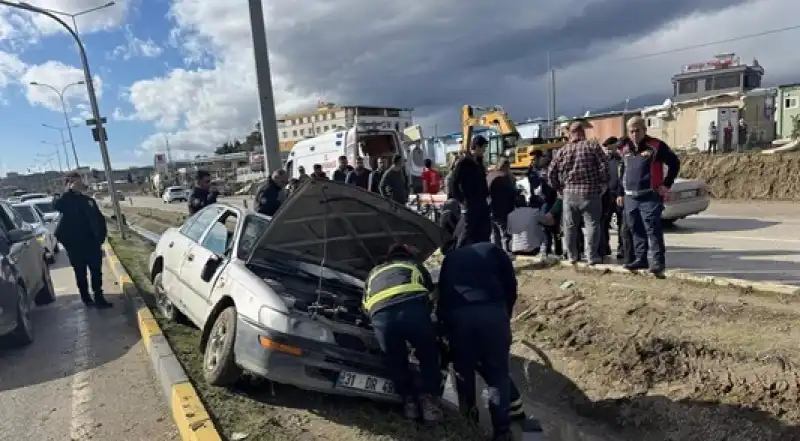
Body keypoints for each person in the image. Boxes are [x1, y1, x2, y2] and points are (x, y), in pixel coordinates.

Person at [436, 239, 522, 441]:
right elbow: (510, 284)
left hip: (459, 318)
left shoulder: (450, 258)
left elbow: (443, 293)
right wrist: (504, 314)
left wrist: (444, 327)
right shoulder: (494, 250)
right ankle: (502, 432)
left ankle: (469, 423)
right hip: (493, 315)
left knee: (463, 372)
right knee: (497, 375)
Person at [363, 243, 442, 422]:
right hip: (412, 309)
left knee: (395, 360)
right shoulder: (413, 266)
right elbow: (430, 294)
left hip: (381, 316)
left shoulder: (373, 273)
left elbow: (364, 304)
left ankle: (409, 404)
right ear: (408, 255)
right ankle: (429, 401)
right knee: (427, 354)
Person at [617, 116, 681, 275]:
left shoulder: (656, 146)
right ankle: (641, 259)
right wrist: (620, 193)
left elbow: (674, 163)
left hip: (650, 196)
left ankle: (658, 263)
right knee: (635, 228)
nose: (634, 134)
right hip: (631, 197)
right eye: (631, 131)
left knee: (652, 229)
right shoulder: (625, 148)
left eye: (637, 130)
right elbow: (622, 172)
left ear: (644, 130)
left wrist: (666, 184)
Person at [547, 120, 608, 265]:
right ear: (583, 132)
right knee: (592, 225)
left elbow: (550, 172)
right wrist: (603, 183)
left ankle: (572, 256)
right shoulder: (593, 146)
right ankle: (592, 256)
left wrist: (559, 188)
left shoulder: (563, 150)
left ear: (570, 133)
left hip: (569, 194)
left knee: (569, 226)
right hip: (590, 192)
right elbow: (604, 166)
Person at [53, 171, 112, 308]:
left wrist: (100, 238)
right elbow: (57, 205)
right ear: (68, 184)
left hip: (91, 243)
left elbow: (99, 220)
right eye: (74, 182)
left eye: (79, 181)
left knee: (96, 271)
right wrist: (68, 191)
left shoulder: (88, 201)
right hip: (75, 246)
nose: (78, 184)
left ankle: (99, 297)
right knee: (80, 273)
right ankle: (86, 298)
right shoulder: (65, 200)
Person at [450, 135, 491, 246]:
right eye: (483, 147)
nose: (484, 150)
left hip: (482, 202)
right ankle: (459, 255)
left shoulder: (479, 163)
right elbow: (453, 183)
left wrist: (487, 195)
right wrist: (462, 200)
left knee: (484, 230)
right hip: (470, 203)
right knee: (467, 231)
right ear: (477, 146)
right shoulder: (464, 163)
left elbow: (482, 182)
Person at [601, 137, 624, 259]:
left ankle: (622, 249)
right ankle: (605, 248)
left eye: (611, 148)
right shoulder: (604, 161)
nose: (609, 151)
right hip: (607, 195)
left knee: (622, 224)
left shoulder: (621, 160)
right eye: (607, 149)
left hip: (619, 195)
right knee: (604, 222)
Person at [487, 156, 517, 252]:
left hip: (490, 209)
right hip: (502, 209)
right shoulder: (504, 177)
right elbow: (512, 192)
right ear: (505, 166)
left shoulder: (489, 175)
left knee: (494, 234)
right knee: (505, 234)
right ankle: (506, 253)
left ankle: (495, 253)